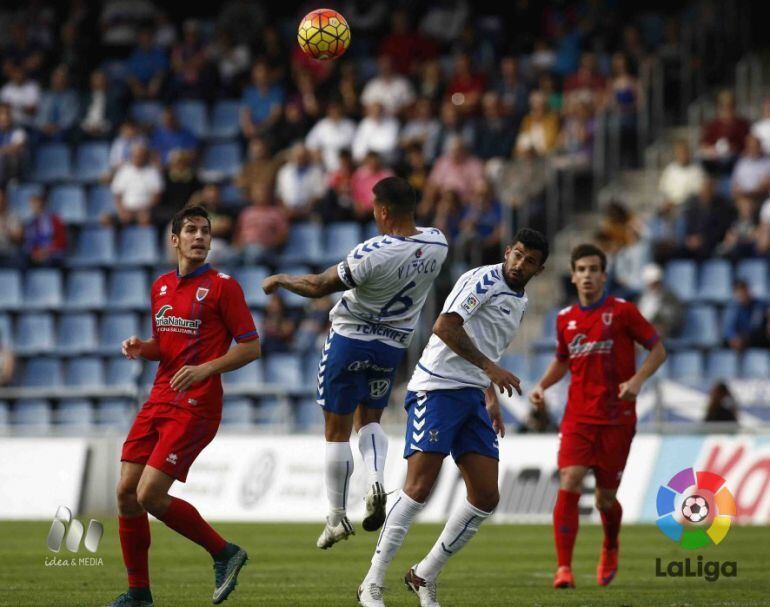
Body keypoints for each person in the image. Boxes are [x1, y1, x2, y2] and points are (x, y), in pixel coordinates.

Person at [356, 228, 549, 607]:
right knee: (419, 488)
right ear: (508, 251)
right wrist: (490, 371)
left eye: (530, 261)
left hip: (472, 397)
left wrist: (488, 393)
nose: (520, 263)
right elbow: (445, 326)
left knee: (486, 496)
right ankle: (372, 583)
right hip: (437, 387)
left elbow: (485, 342)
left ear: (539, 269)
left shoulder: (519, 300)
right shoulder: (483, 279)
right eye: (518, 254)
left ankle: (423, 574)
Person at [262, 176, 448, 549]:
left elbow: (317, 286)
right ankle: (376, 478)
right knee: (370, 421)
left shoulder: (373, 252)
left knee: (336, 430)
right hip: (392, 346)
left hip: (350, 340)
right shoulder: (438, 243)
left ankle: (335, 518)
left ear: (383, 211)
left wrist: (281, 279)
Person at [107, 205, 260, 607]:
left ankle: (225, 553)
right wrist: (145, 347)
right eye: (191, 230)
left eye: (205, 231)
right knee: (125, 492)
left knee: (149, 495)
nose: (199, 237)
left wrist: (204, 369)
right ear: (174, 240)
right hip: (159, 397)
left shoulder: (225, 286)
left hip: (196, 404)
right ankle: (139, 593)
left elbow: (251, 346)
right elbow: (168, 347)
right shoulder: (159, 286)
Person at [530, 243, 667, 589]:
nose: (588, 276)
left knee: (605, 498)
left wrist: (637, 381)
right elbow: (563, 359)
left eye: (594, 269)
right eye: (582, 270)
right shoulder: (564, 319)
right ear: (573, 276)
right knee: (570, 479)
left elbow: (658, 349)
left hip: (617, 418)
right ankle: (564, 568)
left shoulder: (623, 312)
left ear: (604, 276)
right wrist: (542, 385)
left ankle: (610, 544)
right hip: (578, 417)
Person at [111, 143, 164, 225]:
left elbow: (157, 196)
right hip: (126, 209)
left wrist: (145, 210)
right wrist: (122, 211)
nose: (138, 158)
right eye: (135, 156)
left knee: (146, 219)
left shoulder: (153, 172)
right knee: (106, 219)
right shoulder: (123, 171)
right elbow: (117, 194)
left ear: (146, 157)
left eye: (141, 156)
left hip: (146, 210)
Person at [636, 263, 683, 339]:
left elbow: (675, 320)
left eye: (656, 283)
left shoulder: (671, 298)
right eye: (650, 284)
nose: (653, 286)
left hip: (663, 332)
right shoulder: (642, 298)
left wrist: (663, 327)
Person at [21, 193, 68, 267]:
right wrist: (36, 253)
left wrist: (47, 251)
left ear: (42, 203)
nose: (33, 206)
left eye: (36, 202)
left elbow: (62, 241)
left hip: (52, 254)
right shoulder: (30, 223)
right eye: (32, 203)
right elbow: (29, 243)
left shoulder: (55, 220)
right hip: (36, 255)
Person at [723, 280, 765, 352]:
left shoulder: (759, 305)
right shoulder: (733, 307)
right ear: (735, 294)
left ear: (748, 291)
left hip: (753, 338)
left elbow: (756, 327)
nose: (742, 295)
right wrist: (734, 338)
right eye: (739, 293)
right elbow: (729, 329)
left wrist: (744, 338)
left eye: (743, 292)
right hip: (739, 339)